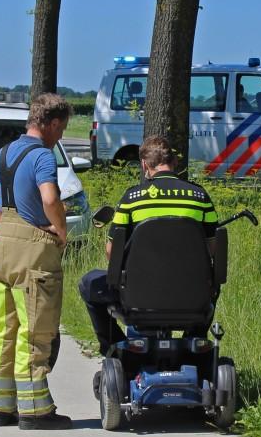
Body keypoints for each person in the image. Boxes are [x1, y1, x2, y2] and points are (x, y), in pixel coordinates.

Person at [0, 93, 72, 430]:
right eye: (62, 129)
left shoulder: (6, 152)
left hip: (3, 251)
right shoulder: (42, 156)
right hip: (33, 253)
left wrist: (1, 219)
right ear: (53, 123)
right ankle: (35, 412)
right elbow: (50, 197)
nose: (61, 137)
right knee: (35, 333)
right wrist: (60, 229)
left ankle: (1, 408)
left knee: (5, 330)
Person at [78, 136, 219, 360]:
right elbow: (212, 249)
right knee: (212, 286)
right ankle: (193, 344)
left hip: (137, 295)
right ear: (174, 162)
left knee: (88, 283)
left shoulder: (132, 198)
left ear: (145, 165)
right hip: (192, 295)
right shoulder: (200, 196)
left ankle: (114, 349)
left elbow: (111, 252)